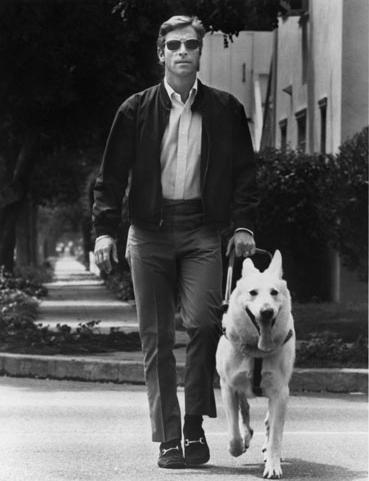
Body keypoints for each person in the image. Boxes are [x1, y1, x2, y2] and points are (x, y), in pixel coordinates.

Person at [92, 15, 258, 469]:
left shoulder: (225, 109)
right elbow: (110, 177)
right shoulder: (135, 110)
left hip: (202, 230)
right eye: (174, 46)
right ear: (161, 54)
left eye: (191, 45)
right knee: (157, 337)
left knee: (205, 323)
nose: (183, 52)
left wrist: (242, 225)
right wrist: (105, 229)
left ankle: (194, 426)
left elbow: (245, 172)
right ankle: (169, 439)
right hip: (147, 234)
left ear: (200, 52)